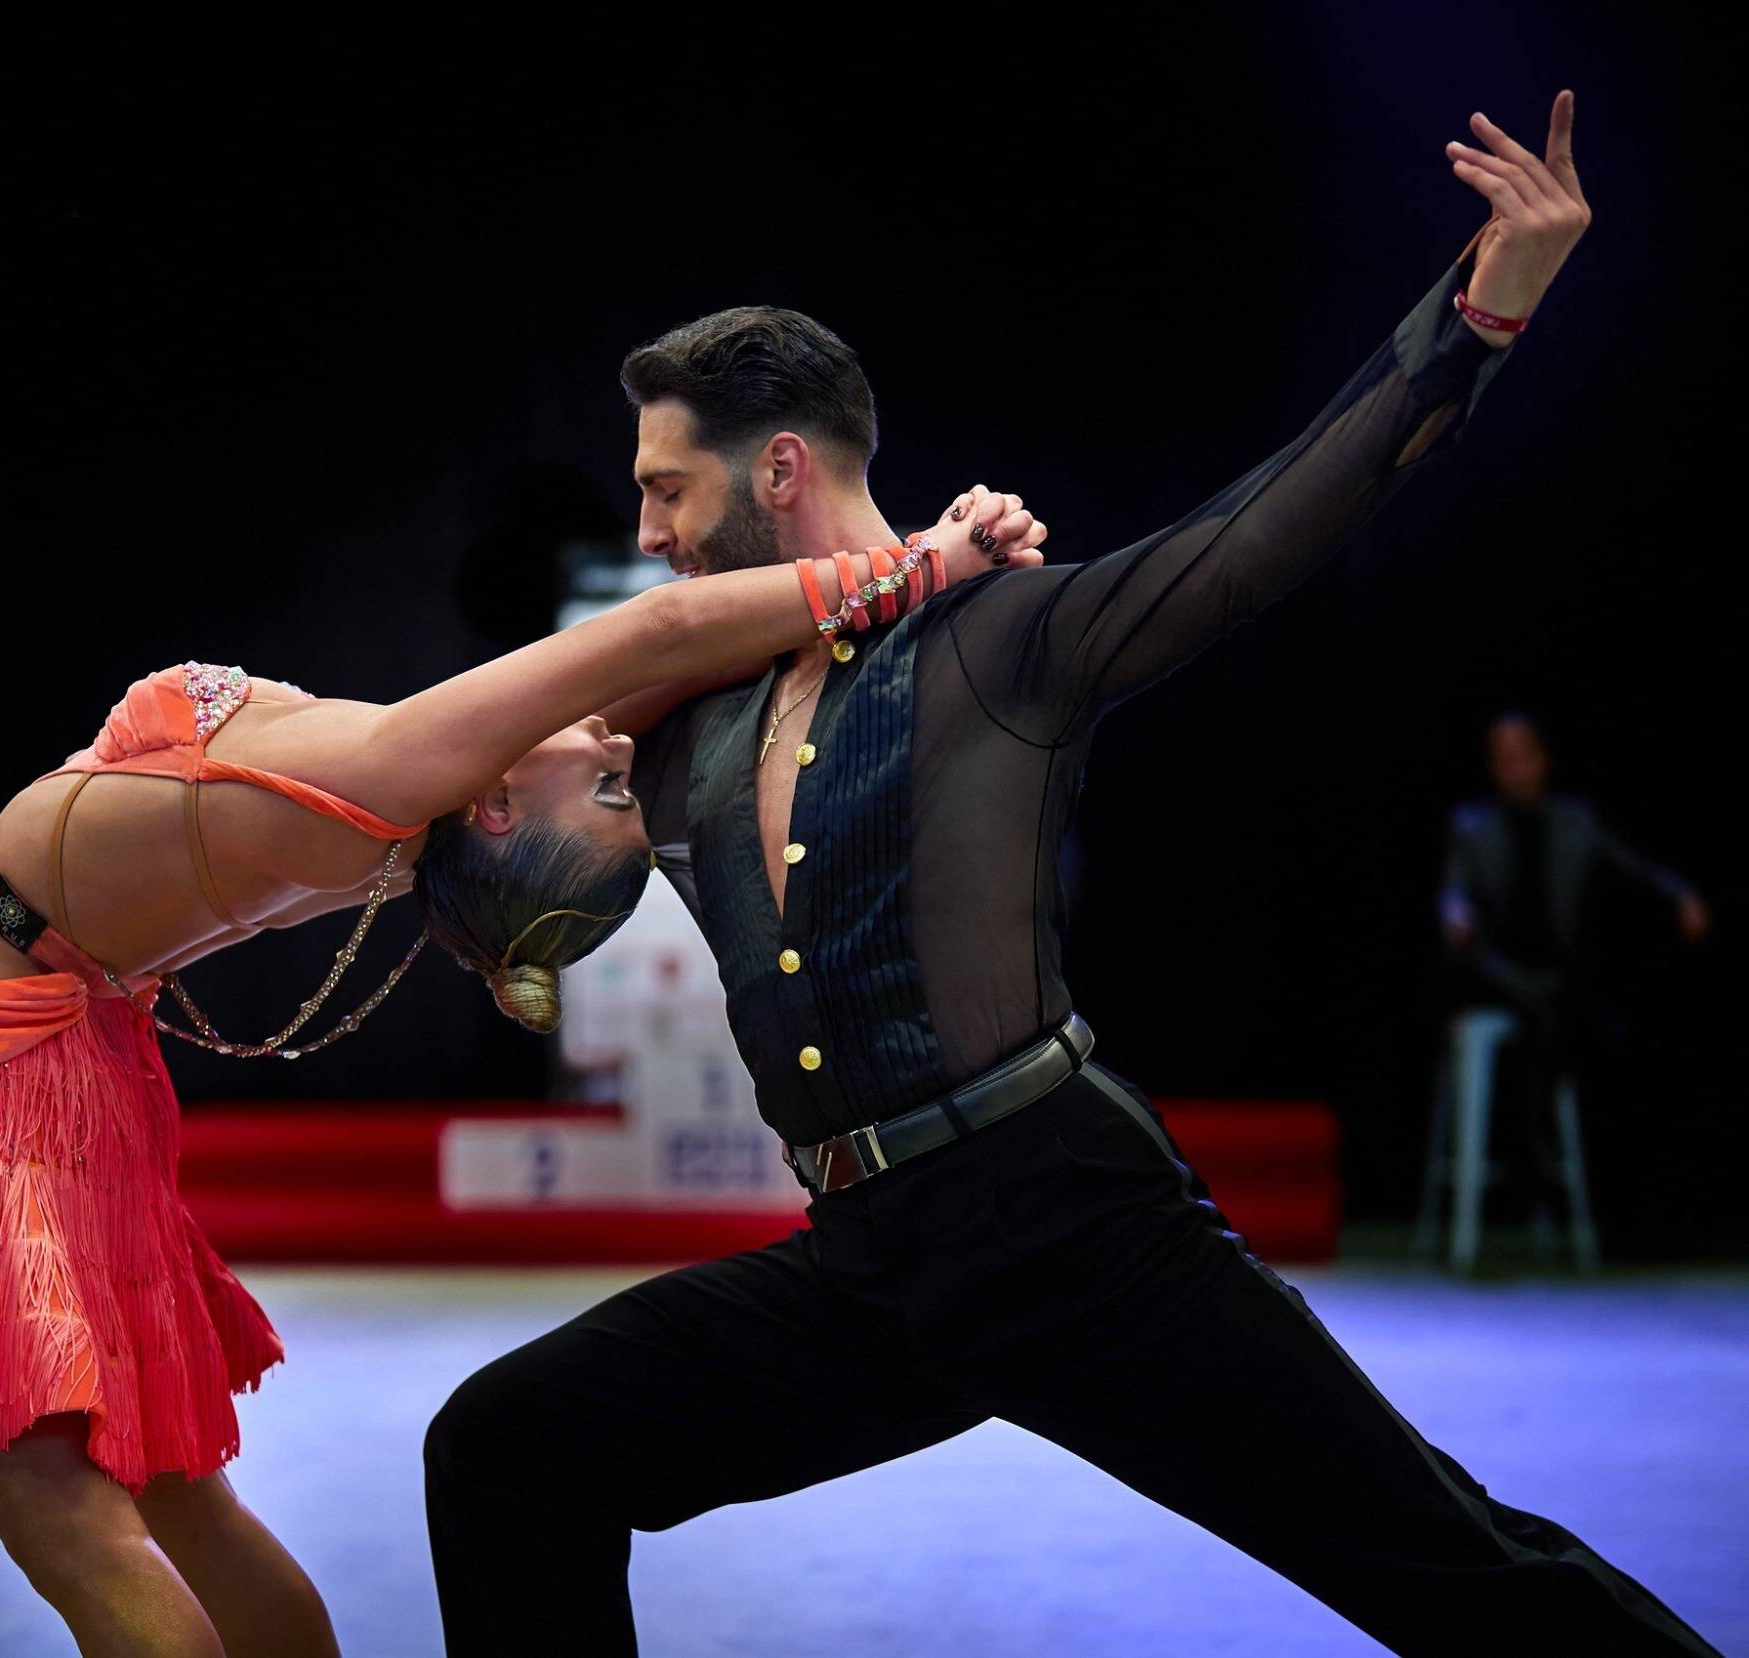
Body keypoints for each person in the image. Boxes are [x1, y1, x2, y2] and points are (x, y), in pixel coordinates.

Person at [424, 95, 1720, 1654]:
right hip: (871, 1269)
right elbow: (492, 759)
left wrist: (1488, 305)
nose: (646, 529)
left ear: (777, 470)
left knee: (1457, 1571)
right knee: (505, 1451)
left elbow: (1269, 526)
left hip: (1075, 1230)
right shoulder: (688, 719)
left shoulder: (1006, 640)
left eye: (667, 491)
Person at [0, 502, 1036, 1658]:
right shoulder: (426, 816)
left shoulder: (394, 774)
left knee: (82, 1530)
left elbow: (655, 635)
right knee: (176, 1501)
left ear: (499, 804)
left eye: (610, 788)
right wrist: (877, 592)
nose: (615, 743)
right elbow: (641, 685)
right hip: (64, 1058)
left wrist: (918, 564)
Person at [1438, 710, 1709, 1228]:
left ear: (1543, 760)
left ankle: (1544, 1164)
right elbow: (1454, 895)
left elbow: (1631, 869)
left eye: (1522, 755)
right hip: (1494, 973)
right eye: (1501, 758)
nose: (1512, 767)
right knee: (1534, 1004)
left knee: (1578, 1016)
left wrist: (1681, 897)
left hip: (1556, 978)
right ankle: (1529, 1165)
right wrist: (1456, 917)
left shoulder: (1576, 823)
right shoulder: (1472, 829)